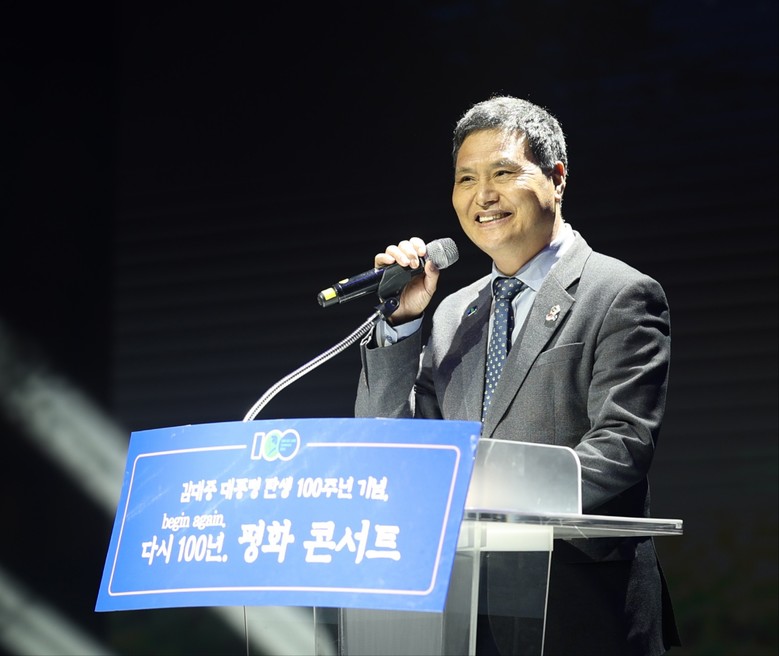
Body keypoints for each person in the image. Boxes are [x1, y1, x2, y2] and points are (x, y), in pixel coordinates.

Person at [353, 95, 681, 655]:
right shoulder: (453, 312)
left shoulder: (619, 293)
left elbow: (622, 447)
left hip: (578, 609)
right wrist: (402, 326)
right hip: (462, 611)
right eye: (466, 179)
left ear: (557, 178)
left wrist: (483, 495)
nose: (483, 195)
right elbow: (401, 452)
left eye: (503, 173)